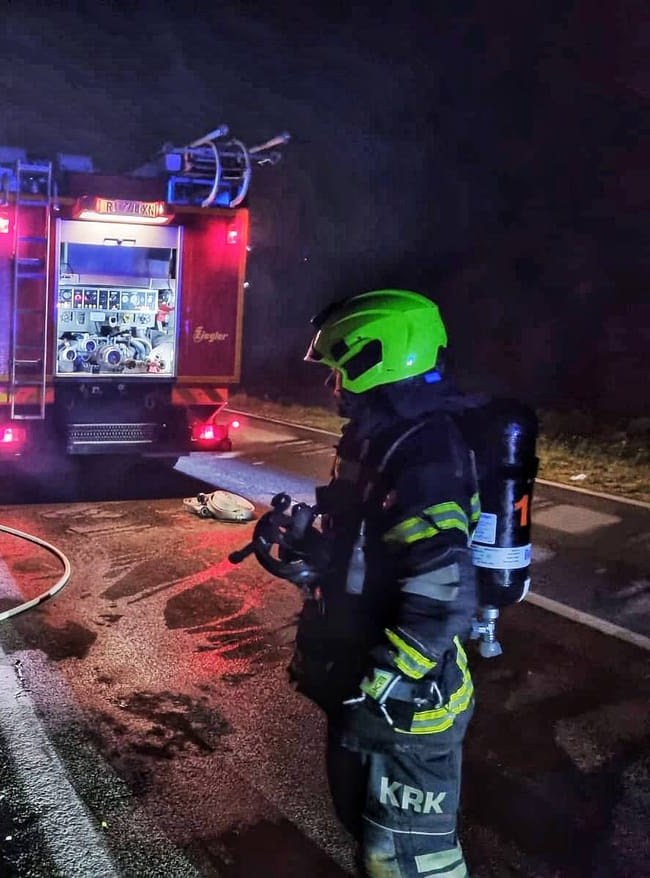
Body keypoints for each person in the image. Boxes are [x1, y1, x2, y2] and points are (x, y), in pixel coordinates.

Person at [294, 289, 477, 878]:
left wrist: (384, 685)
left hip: (409, 704)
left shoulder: (426, 454)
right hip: (365, 681)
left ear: (380, 358)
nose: (333, 385)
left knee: (407, 862)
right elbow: (365, 549)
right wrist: (305, 548)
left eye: (340, 369)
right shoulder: (376, 438)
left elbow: (442, 595)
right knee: (367, 835)